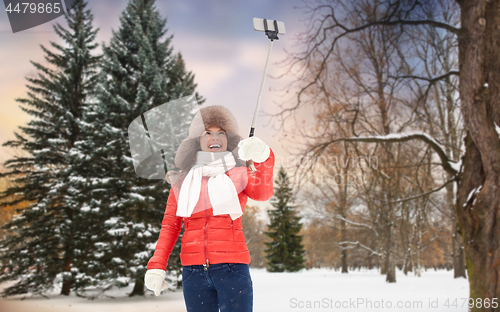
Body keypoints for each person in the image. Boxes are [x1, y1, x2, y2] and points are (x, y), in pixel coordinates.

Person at [144, 106, 275, 312]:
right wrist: (157, 264)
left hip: (232, 270)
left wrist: (265, 158)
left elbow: (262, 192)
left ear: (228, 139)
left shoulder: (239, 174)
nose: (215, 137)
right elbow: (170, 225)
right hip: (193, 273)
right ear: (197, 140)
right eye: (208, 132)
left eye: (221, 132)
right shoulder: (181, 181)